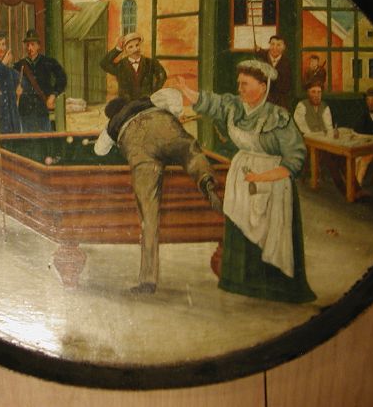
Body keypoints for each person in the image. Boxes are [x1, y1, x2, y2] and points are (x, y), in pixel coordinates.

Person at [177, 60, 316, 303]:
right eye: (238, 83)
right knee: (240, 227)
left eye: (245, 84)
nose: (239, 88)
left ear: (263, 87)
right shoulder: (235, 107)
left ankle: (275, 289)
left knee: (270, 235)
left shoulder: (278, 116)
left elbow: (295, 157)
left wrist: (262, 178)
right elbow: (214, 103)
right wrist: (187, 91)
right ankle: (240, 283)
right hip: (242, 179)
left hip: (274, 182)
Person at [94, 88, 222, 294]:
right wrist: (176, 115)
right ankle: (204, 176)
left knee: (148, 215)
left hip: (139, 148)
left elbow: (99, 150)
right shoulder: (149, 100)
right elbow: (172, 96)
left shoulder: (112, 124)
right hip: (163, 124)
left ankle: (148, 280)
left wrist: (112, 134)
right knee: (189, 150)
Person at [294, 81, 357, 198]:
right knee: (329, 157)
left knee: (341, 155)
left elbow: (329, 127)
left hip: (323, 141)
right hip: (308, 142)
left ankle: (355, 187)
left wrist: (330, 136)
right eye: (313, 92)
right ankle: (344, 189)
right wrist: (319, 137)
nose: (316, 95)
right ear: (308, 93)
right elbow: (303, 128)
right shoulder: (302, 106)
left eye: (319, 92)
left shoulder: (325, 107)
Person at [13, 29, 67, 132]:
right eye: (28, 45)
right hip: (25, 114)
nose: (30, 48)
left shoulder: (48, 62)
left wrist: (53, 95)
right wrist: (16, 92)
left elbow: (62, 78)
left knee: (45, 139)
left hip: (42, 112)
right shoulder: (19, 65)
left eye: (32, 45)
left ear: (38, 46)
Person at [100, 32, 167, 100]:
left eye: (137, 45)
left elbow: (162, 75)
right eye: (130, 47)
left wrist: (154, 92)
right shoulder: (121, 66)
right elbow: (104, 64)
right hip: (126, 102)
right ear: (125, 50)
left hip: (146, 101)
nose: (135, 49)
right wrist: (118, 49)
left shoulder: (150, 63)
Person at [257, 35, 292, 110]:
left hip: (279, 102)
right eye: (272, 44)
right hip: (262, 101)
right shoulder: (261, 58)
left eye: (278, 45)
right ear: (269, 45)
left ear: (284, 47)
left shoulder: (287, 63)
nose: (275, 48)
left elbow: (287, 87)